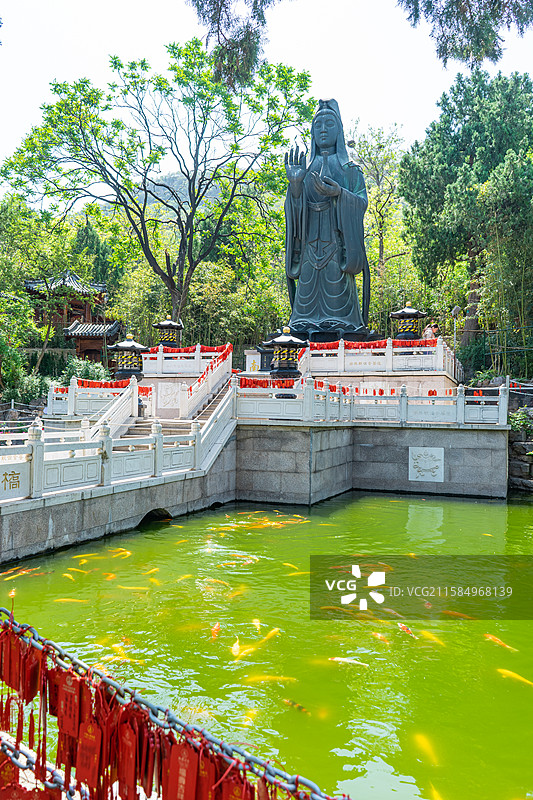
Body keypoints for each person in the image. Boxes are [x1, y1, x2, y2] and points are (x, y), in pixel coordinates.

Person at [284, 99, 370, 339]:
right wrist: (296, 186)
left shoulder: (350, 169)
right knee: (306, 294)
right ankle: (302, 322)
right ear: (312, 131)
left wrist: (339, 194)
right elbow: (293, 210)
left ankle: (343, 321)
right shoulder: (304, 168)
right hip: (310, 242)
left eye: (329, 124)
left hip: (337, 242)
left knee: (336, 285)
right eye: (318, 124)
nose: (323, 129)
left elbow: (361, 202)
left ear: (339, 130)